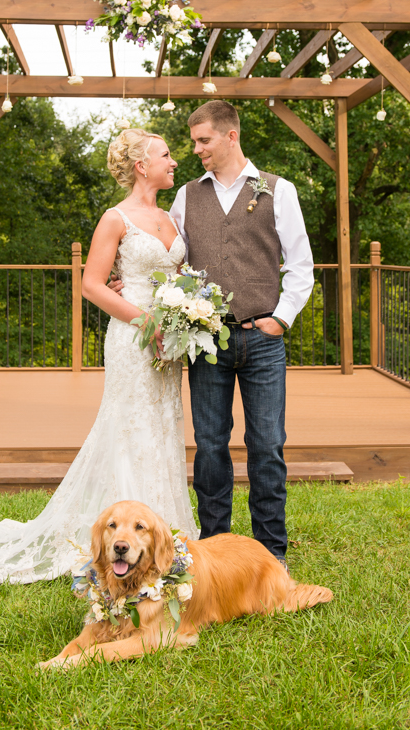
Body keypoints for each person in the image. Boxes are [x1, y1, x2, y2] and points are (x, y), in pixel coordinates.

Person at [0, 129, 198, 586]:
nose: (174, 161)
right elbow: (92, 285)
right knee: (129, 425)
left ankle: (162, 535)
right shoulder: (115, 218)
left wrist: (184, 312)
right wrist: (147, 321)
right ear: (143, 166)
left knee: (163, 425)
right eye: (166, 155)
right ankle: (121, 536)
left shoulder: (174, 217)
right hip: (133, 337)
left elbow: (179, 275)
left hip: (169, 342)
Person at [112, 101, 314, 564]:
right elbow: (170, 259)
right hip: (204, 342)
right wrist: (124, 279)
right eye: (194, 141)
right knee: (209, 447)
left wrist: (280, 319)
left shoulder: (279, 191)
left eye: (204, 140)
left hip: (263, 340)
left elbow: (301, 266)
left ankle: (270, 552)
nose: (196, 149)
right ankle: (215, 551)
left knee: (267, 445)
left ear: (230, 137)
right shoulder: (186, 195)